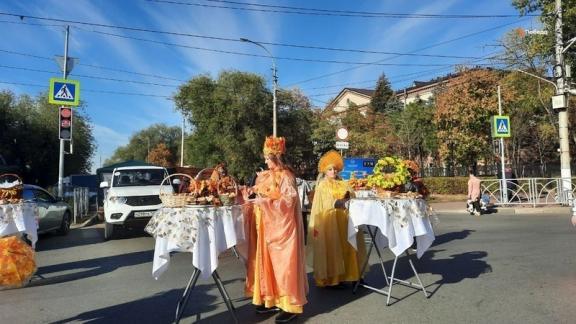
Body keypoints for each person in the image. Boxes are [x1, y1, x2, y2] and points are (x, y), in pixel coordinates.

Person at [242, 136, 308, 323]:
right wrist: (248, 193)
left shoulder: (287, 176)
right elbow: (258, 191)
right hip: (264, 228)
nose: (264, 161)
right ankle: (268, 299)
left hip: (282, 229)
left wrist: (263, 201)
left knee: (283, 265)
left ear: (276, 158)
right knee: (265, 263)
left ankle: (290, 305)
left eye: (267, 158)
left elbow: (288, 202)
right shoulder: (264, 176)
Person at [308, 150, 366, 288]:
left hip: (345, 221)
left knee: (349, 247)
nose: (333, 171)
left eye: (335, 169)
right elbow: (321, 204)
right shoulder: (322, 185)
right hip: (330, 223)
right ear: (325, 171)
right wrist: (338, 202)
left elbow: (351, 195)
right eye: (330, 169)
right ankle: (334, 278)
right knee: (333, 249)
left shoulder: (343, 183)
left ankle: (354, 275)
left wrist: (348, 197)